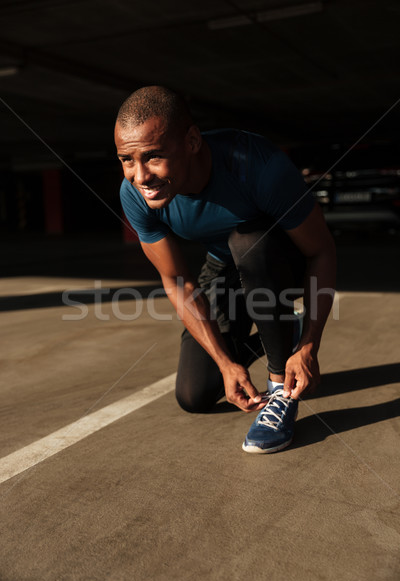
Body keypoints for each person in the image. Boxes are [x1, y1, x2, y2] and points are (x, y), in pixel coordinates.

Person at [114, 85, 336, 453]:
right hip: (224, 266)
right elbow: (177, 281)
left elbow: (322, 251)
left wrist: (309, 345)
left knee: (248, 242)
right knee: (195, 393)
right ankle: (281, 330)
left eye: (154, 157)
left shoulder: (256, 164)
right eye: (126, 160)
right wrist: (225, 363)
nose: (140, 177)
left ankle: (281, 386)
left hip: (281, 260)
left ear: (192, 141)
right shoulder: (136, 194)